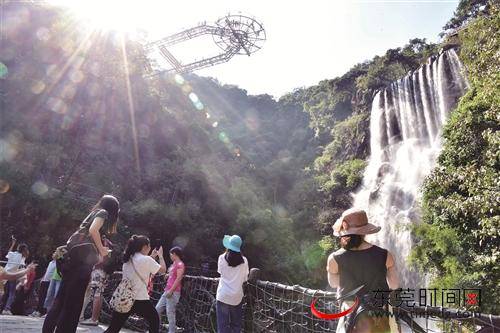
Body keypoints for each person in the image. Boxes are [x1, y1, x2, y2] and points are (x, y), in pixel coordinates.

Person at [43, 194, 120, 333]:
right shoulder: (103, 213)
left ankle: (48, 329)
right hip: (81, 263)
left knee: (61, 298)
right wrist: (102, 250)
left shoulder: (92, 213)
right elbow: (93, 230)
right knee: (74, 301)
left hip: (71, 259)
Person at [327, 208, 400, 333]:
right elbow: (394, 284)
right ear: (364, 231)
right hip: (379, 312)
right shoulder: (385, 255)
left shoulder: (334, 258)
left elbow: (334, 284)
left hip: (351, 314)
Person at [104, 235, 166, 333]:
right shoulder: (146, 260)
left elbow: (142, 265)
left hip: (125, 298)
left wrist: (152, 257)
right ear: (144, 247)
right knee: (154, 321)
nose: (150, 249)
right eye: (149, 246)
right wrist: (161, 256)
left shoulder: (128, 258)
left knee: (113, 328)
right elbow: (163, 270)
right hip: (140, 299)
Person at [216, 235, 249, 333]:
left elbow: (221, 272)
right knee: (236, 325)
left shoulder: (221, 258)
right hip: (236, 297)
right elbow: (245, 278)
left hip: (223, 295)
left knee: (222, 326)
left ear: (228, 246)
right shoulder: (244, 261)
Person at [80, 235, 115, 326]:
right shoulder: (108, 242)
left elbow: (101, 258)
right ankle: (93, 318)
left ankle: (93, 319)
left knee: (97, 294)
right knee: (98, 294)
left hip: (99, 270)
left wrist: (91, 263)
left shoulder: (103, 242)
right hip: (104, 271)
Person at [156, 246, 185, 333]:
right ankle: (156, 329)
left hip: (173, 292)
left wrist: (171, 291)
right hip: (167, 290)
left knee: (170, 313)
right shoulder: (174, 264)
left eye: (171, 254)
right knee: (157, 309)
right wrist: (168, 275)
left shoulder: (180, 264)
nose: (170, 256)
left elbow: (179, 278)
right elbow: (173, 275)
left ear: (174, 254)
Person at [0, 236, 29, 315]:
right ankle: (6, 309)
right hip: (12, 275)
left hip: (5, 274)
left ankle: (3, 307)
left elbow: (9, 252)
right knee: (11, 293)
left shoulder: (13, 254)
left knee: (4, 292)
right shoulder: (22, 257)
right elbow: (22, 267)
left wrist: (13, 244)